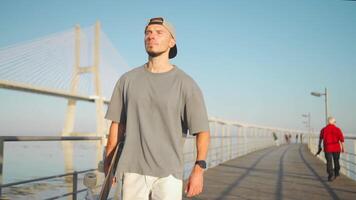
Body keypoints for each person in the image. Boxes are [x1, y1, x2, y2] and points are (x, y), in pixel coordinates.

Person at [104, 17, 210, 200]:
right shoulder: (127, 80)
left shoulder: (186, 84)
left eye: (159, 32)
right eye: (148, 32)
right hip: (131, 170)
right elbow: (117, 125)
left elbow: (202, 130)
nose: (151, 36)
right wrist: (109, 163)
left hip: (169, 172)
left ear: (172, 41)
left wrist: (198, 170)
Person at [318, 117, 345, 181]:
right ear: (332, 122)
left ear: (328, 122)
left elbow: (320, 138)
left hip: (327, 148)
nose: (335, 123)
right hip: (336, 148)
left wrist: (319, 146)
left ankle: (330, 175)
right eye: (335, 122)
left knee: (329, 162)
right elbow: (341, 139)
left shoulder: (324, 129)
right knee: (336, 160)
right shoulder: (337, 129)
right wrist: (343, 148)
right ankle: (336, 173)